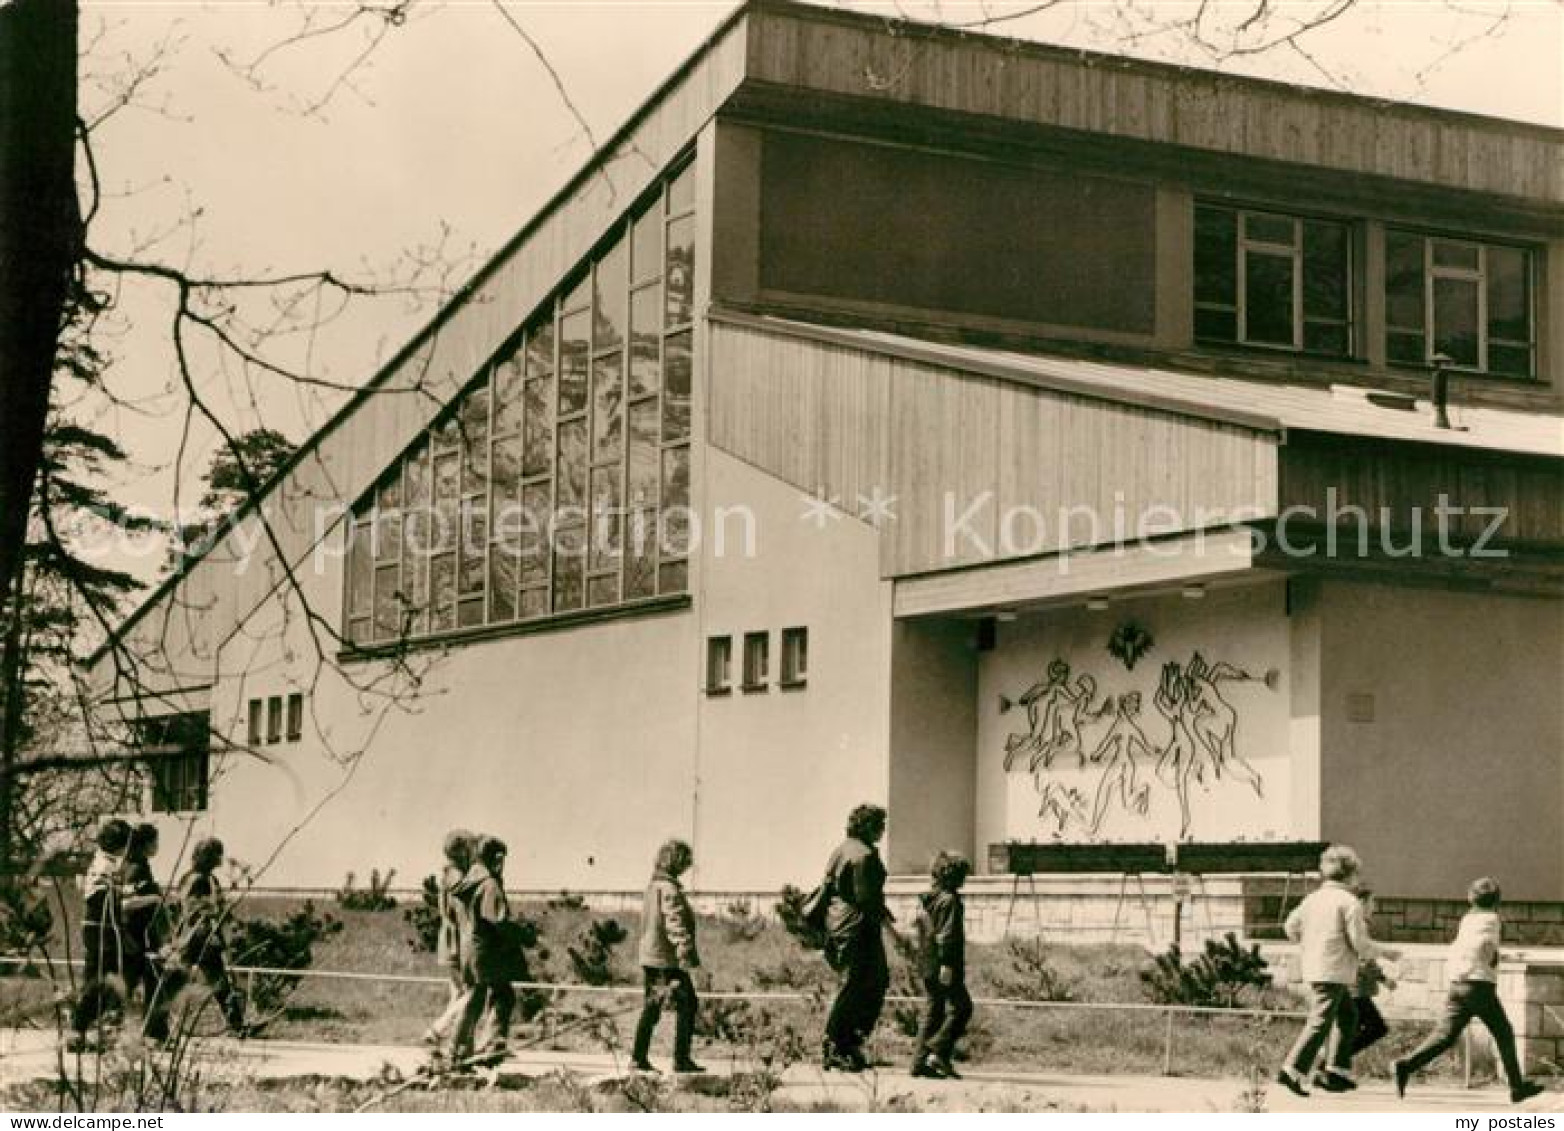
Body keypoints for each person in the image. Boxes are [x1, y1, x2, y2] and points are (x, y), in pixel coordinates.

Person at [1393, 879, 1546, 1105]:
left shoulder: (1467, 919)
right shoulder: (1492, 919)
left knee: (1445, 1036)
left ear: (1470, 899)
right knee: (1504, 1033)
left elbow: (1469, 947)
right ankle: (1517, 1087)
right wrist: (1495, 959)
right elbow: (1486, 946)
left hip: (1457, 983)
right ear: (1497, 901)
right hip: (1479, 986)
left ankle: (1406, 1065)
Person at [1276, 845, 1376, 1097]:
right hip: (1335, 970)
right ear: (1351, 874)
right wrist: (1384, 952)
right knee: (1320, 1021)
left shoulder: (1313, 899)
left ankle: (1335, 1071)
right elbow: (1359, 943)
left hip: (1317, 966)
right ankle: (1292, 1070)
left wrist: (1308, 943)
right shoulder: (1349, 902)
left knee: (1348, 1015)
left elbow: (1290, 926)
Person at [820, 803, 891, 1072]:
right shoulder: (864, 855)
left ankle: (841, 1044)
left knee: (854, 986)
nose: (882, 830)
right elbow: (867, 901)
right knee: (866, 985)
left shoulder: (841, 850)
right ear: (867, 826)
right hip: (859, 929)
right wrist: (895, 934)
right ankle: (842, 1044)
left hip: (840, 927)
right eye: (879, 825)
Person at [158, 837, 247, 1037]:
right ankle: (157, 1023)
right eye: (216, 854)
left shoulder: (206, 878)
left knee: (216, 981)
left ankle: (236, 1024)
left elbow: (217, 905)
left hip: (200, 936)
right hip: (196, 936)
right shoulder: (197, 879)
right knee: (184, 980)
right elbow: (195, 909)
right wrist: (212, 926)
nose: (220, 858)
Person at [630, 838, 703, 1074]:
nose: (686, 867)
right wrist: (685, 950)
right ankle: (680, 1060)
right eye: (685, 862)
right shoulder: (669, 890)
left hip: (651, 956)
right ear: (676, 862)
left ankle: (638, 1058)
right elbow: (674, 922)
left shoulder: (652, 888)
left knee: (652, 1007)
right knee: (688, 1004)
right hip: (666, 960)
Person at [449, 836, 519, 1067]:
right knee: (503, 996)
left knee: (474, 998)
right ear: (496, 858)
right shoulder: (489, 885)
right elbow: (498, 920)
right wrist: (526, 936)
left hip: (469, 949)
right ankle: (492, 1046)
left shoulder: (467, 883)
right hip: (488, 952)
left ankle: (458, 1048)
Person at [70, 818, 132, 1047]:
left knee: (103, 979)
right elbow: (96, 895)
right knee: (98, 978)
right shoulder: (105, 865)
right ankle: (79, 1028)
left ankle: (89, 1028)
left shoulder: (105, 862)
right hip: (101, 928)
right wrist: (118, 894)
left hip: (103, 927)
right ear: (121, 844)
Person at [911, 851, 972, 1080]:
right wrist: (947, 964)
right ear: (953, 875)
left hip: (927, 961)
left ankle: (919, 1063)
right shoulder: (949, 901)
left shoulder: (930, 899)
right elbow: (947, 935)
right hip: (944, 963)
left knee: (933, 1011)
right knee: (962, 1007)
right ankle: (938, 1051)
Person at [120, 823, 172, 1042]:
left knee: (151, 982)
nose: (157, 846)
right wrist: (154, 898)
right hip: (134, 937)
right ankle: (153, 1032)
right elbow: (125, 902)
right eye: (155, 841)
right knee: (133, 984)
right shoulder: (136, 869)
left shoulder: (141, 866)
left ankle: (156, 1032)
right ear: (145, 844)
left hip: (144, 937)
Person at [424, 829, 475, 1050]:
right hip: (458, 936)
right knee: (472, 991)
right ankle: (440, 1028)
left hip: (450, 935)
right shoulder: (457, 874)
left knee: (457, 992)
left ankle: (464, 1042)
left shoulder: (446, 872)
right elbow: (458, 908)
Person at [1346, 886, 1395, 1057]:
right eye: (1372, 902)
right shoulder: (1358, 925)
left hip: (1353, 987)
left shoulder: (1358, 924)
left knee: (1351, 1031)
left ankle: (1330, 1065)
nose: (1374, 907)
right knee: (1376, 1028)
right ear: (1362, 903)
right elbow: (1364, 959)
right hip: (1356, 989)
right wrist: (1384, 978)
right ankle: (1329, 1063)